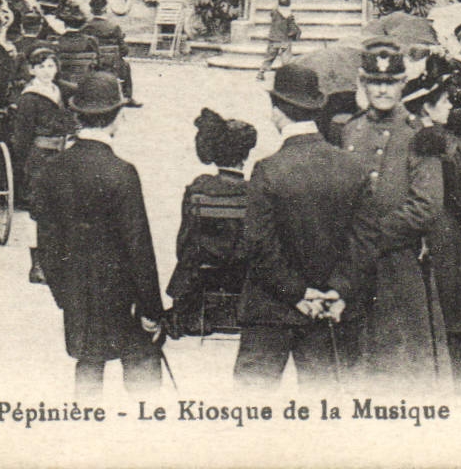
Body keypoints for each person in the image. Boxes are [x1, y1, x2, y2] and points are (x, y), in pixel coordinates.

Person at [233, 66, 372, 390]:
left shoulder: (268, 170)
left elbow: (258, 244)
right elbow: (365, 241)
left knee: (248, 410)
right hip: (332, 311)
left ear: (277, 112)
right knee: (325, 413)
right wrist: (337, 290)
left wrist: (297, 293)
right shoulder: (352, 168)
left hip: (271, 309)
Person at [32, 71, 164, 398]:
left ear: (77, 115)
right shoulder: (122, 172)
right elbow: (138, 247)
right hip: (124, 298)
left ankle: (85, 433)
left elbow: (46, 245)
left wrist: (65, 294)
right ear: (117, 118)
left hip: (78, 294)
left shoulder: (52, 169)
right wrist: (152, 308)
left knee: (88, 369)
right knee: (142, 371)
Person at [336, 40, 446, 387]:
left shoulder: (419, 135)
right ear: (364, 84)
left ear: (402, 84)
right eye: (375, 82)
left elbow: (426, 204)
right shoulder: (349, 129)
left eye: (390, 82)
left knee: (399, 367)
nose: (382, 90)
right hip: (350, 265)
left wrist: (373, 237)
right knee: (350, 364)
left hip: (396, 265)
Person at [405, 77, 461, 394]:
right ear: (426, 106)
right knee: (453, 315)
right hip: (443, 237)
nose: (452, 107)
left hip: (408, 242)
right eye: (444, 101)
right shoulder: (452, 145)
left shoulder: (399, 140)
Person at [166, 109, 257, 337]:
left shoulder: (198, 188)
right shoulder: (254, 191)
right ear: (245, 155)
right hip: (242, 273)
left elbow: (184, 242)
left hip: (203, 273)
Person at [10, 47, 76, 285]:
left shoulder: (61, 92)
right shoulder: (30, 97)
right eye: (41, 67)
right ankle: (37, 264)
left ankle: (59, 261)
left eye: (51, 66)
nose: (47, 71)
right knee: (37, 210)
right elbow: (23, 135)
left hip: (61, 154)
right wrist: (24, 163)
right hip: (39, 156)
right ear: (32, 70)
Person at [258, 0, 300, 81]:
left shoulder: (274, 12)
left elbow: (271, 13)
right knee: (286, 59)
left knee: (269, 57)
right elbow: (292, 28)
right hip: (284, 39)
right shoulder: (289, 16)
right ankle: (287, 77)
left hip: (273, 39)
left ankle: (261, 72)